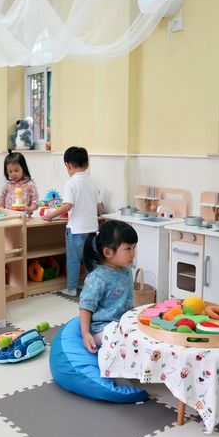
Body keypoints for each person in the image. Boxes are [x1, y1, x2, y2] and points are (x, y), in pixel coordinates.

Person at [43, 146, 101, 297]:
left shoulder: (71, 183)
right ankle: (91, 289)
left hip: (76, 230)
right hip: (92, 230)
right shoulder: (93, 183)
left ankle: (71, 289)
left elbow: (67, 205)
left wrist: (50, 215)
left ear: (68, 166)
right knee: (90, 262)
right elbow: (99, 205)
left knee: (74, 261)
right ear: (87, 164)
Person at [78, 220, 137, 353]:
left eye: (134, 247)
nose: (133, 254)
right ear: (108, 253)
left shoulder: (127, 271)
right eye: (128, 249)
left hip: (124, 323)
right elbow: (86, 306)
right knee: (119, 342)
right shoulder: (97, 278)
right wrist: (85, 333)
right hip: (104, 327)